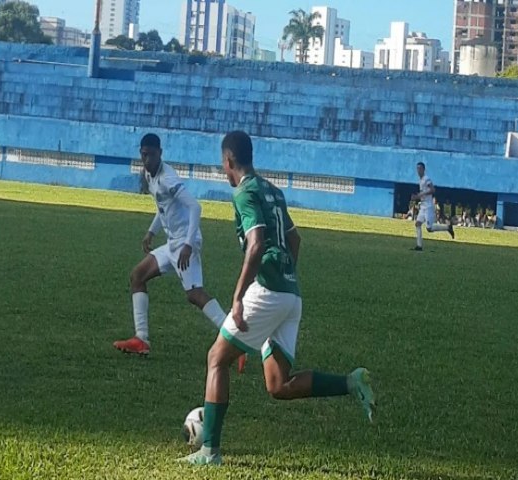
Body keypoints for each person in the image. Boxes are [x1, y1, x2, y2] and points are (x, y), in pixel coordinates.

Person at [180, 131, 375, 466]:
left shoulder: (244, 192)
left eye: (223, 164)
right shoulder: (273, 189)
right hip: (290, 293)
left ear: (228, 161)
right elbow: (294, 239)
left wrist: (239, 297)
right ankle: (350, 381)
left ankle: (209, 451)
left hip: (268, 291)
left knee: (217, 358)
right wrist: (285, 277)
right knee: (278, 384)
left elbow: (256, 243)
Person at [113, 134, 246, 373]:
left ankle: (237, 341)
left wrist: (187, 244)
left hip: (186, 243)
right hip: (172, 244)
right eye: (143, 154)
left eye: (151, 154)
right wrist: (151, 232)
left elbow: (195, 206)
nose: (147, 159)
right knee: (137, 277)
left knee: (195, 295)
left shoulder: (168, 177)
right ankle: (141, 339)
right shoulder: (148, 175)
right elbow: (163, 207)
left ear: (160, 153)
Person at [411, 162, 454, 251]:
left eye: (420, 168)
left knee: (429, 228)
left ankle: (447, 227)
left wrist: (420, 195)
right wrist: (418, 197)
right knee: (417, 224)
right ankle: (419, 246)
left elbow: (432, 190)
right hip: (423, 206)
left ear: (423, 169)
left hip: (428, 207)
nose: (418, 170)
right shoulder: (421, 180)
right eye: (417, 168)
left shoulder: (426, 179)